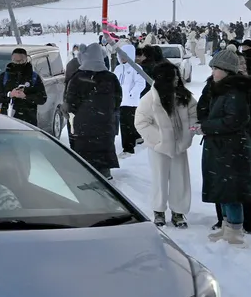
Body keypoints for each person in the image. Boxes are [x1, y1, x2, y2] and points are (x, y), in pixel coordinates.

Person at [134, 62, 197, 229]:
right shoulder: (150, 100)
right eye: (173, 77)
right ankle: (158, 210)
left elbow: (194, 117)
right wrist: (160, 140)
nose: (177, 80)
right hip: (158, 147)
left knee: (180, 179)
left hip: (180, 146)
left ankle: (178, 212)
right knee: (159, 179)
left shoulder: (185, 97)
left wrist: (188, 133)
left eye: (177, 77)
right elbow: (141, 123)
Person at [198, 49, 250, 247]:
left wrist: (206, 127)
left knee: (231, 192)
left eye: (216, 68)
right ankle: (226, 226)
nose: (212, 71)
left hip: (230, 148)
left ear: (226, 70)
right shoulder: (218, 88)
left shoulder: (235, 92)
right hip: (218, 147)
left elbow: (234, 121)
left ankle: (235, 231)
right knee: (221, 189)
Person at [66, 43, 122, 180]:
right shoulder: (110, 77)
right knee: (104, 149)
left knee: (84, 150)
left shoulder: (77, 78)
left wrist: (79, 113)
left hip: (83, 124)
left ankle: (86, 174)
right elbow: (118, 99)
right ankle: (104, 173)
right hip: (105, 123)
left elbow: (70, 102)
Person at [0, 48, 47, 126]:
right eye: (15, 61)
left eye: (21, 61)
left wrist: (26, 96)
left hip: (28, 121)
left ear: (26, 60)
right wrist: (10, 94)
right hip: (7, 120)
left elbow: (42, 98)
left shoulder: (34, 77)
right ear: (11, 60)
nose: (18, 63)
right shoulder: (4, 76)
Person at [114, 45, 146, 157]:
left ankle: (128, 149)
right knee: (125, 125)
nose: (122, 58)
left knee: (129, 125)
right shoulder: (118, 69)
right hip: (120, 102)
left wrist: (131, 94)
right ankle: (135, 140)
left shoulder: (136, 68)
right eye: (120, 56)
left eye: (124, 56)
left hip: (131, 102)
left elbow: (141, 83)